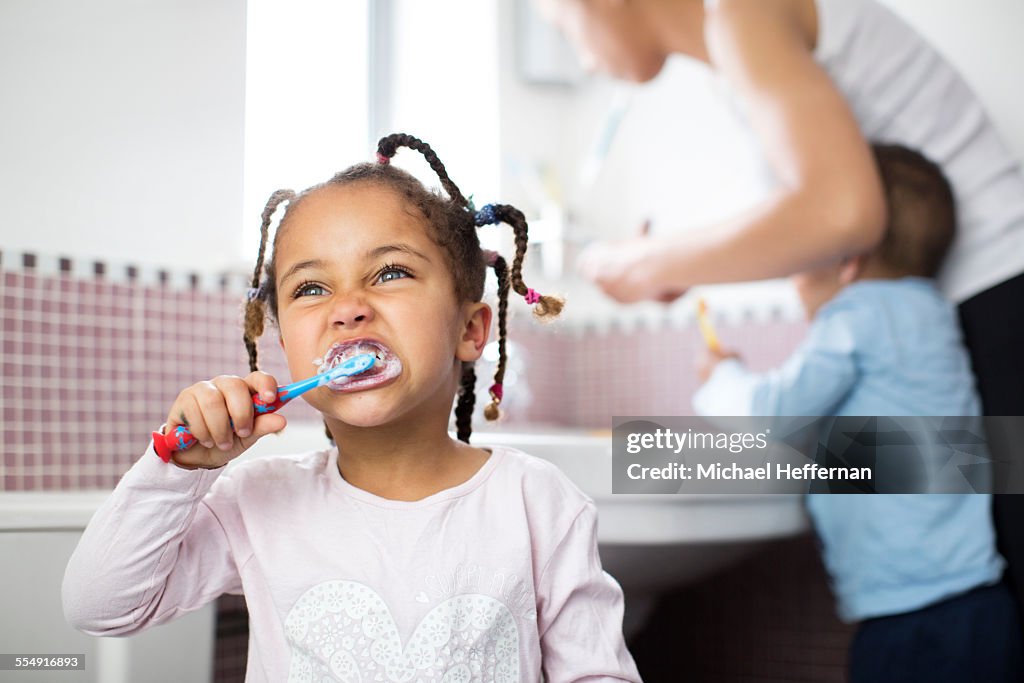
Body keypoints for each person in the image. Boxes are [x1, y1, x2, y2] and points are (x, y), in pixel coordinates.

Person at [62, 134, 642, 682]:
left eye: (390, 273)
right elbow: (101, 606)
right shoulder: (254, 501)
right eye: (311, 289)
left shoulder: (537, 503)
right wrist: (177, 468)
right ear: (287, 346)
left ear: (470, 330)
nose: (348, 309)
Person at [538, 0, 1024, 628]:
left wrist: (653, 266)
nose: (580, 57)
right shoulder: (743, 43)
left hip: (998, 305)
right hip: (973, 314)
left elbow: (844, 214)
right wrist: (673, 262)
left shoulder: (743, 11)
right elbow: (816, 216)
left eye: (561, 26)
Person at [692, 144, 1022, 681]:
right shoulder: (931, 315)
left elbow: (773, 414)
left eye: (803, 253)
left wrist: (721, 378)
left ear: (847, 259)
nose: (793, 275)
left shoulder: (856, 316)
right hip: (979, 608)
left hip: (910, 622)